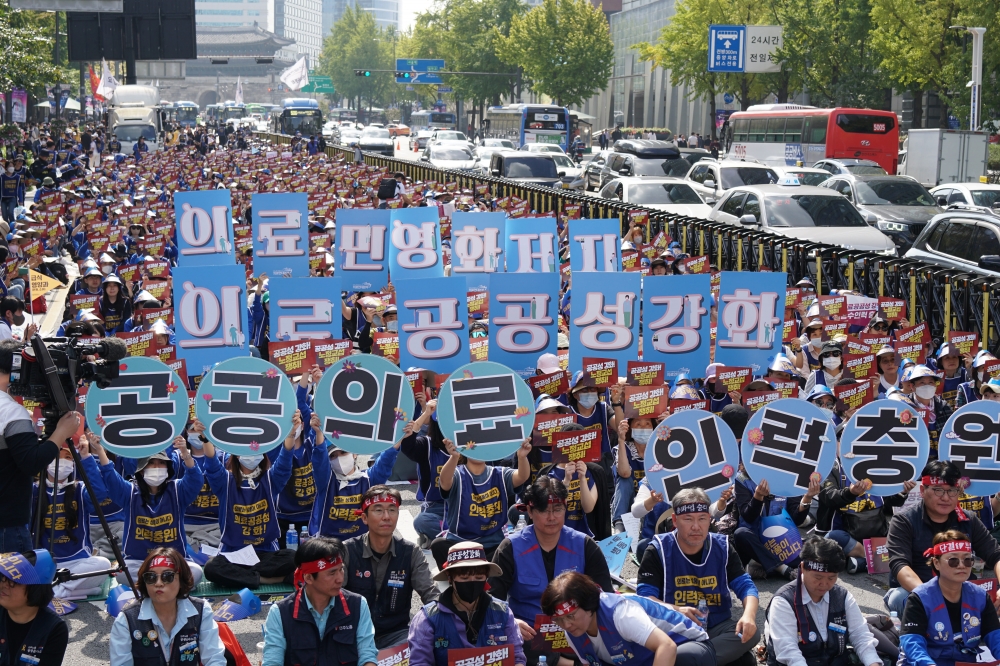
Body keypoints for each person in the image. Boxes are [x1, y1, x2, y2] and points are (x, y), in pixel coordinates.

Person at [489, 476, 614, 666]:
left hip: (575, 631)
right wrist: (511, 622)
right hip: (529, 634)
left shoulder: (584, 544)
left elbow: (605, 596)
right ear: (530, 511)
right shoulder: (510, 547)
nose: (552, 517)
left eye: (558, 509)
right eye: (543, 510)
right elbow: (491, 599)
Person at [638, 488, 760, 666]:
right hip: (675, 629)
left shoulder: (723, 546)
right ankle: (693, 658)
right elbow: (644, 599)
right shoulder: (658, 549)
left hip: (716, 626)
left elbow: (745, 584)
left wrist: (749, 615)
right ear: (675, 520)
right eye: (688, 519)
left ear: (709, 520)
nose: (696, 526)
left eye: (702, 518)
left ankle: (690, 660)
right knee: (744, 662)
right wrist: (677, 609)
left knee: (751, 634)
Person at [884, 460, 1000, 615]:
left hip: (961, 590)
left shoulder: (968, 519)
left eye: (952, 491)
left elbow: (995, 555)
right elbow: (900, 565)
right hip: (921, 590)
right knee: (898, 598)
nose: (946, 498)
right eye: (938, 490)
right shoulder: (904, 521)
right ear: (922, 491)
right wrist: (933, 597)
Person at [0, 338, 83, 552]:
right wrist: (61, 433)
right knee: (16, 584)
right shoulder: (10, 411)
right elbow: (31, 463)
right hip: (7, 525)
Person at [199, 415, 300, 590]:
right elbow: (212, 465)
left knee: (292, 556)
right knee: (211, 568)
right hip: (233, 554)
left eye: (257, 449)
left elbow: (284, 464)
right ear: (236, 455)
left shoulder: (270, 480)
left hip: (266, 553)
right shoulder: (225, 482)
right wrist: (205, 438)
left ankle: (248, 577)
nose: (252, 453)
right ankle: (265, 579)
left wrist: (290, 435)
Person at [542, 571, 714, 666]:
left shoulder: (620, 613)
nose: (566, 625)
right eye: (558, 620)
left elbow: (667, 646)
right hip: (642, 660)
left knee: (684, 658)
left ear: (588, 604)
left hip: (688, 646)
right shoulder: (571, 632)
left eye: (570, 616)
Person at [343, 485, 438, 649]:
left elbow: (430, 593)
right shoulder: (348, 550)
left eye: (392, 510)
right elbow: (330, 595)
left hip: (396, 635)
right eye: (378, 510)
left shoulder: (411, 552)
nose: (386, 517)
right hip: (352, 634)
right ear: (364, 518)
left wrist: (440, 619)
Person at [764, 537, 883, 666]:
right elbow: (788, 652)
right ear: (803, 568)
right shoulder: (783, 601)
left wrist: (873, 662)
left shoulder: (842, 596)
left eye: (832, 578)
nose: (824, 584)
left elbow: (860, 635)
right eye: (818, 577)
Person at [102, 438, 206, 585]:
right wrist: (99, 450)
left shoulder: (177, 490)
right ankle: (168, 587)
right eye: (151, 463)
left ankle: (150, 587)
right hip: (138, 562)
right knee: (121, 574)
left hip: (173, 561)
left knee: (195, 572)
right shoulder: (130, 492)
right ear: (141, 469)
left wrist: (185, 453)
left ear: (168, 468)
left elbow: (196, 480)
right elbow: (111, 478)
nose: (157, 467)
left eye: (161, 463)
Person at [261, 536, 378, 666]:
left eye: (341, 569)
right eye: (332, 573)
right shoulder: (280, 613)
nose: (340, 579)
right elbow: (272, 661)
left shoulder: (358, 605)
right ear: (309, 578)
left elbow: (367, 655)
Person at [408, 541, 525, 666]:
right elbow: (419, 662)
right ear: (450, 578)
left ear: (486, 577)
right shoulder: (427, 618)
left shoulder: (503, 612)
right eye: (464, 578)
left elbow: (517, 657)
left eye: (479, 578)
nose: (472, 583)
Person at [898, 530, 1000, 666]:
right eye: (953, 560)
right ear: (936, 563)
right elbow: (912, 644)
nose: (962, 565)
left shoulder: (980, 596)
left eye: (968, 559)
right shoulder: (919, 598)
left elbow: (995, 637)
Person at [110, 548, 226, 666]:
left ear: (181, 580)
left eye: (167, 576)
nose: (159, 583)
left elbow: (214, 658)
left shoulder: (200, 611)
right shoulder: (126, 619)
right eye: (151, 577)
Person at [33, 433, 114, 600]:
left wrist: (85, 456)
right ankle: (73, 591)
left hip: (77, 562)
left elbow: (99, 493)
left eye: (68, 457)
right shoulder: (35, 490)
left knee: (103, 564)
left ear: (73, 464)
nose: (62, 461)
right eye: (57, 456)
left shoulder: (80, 489)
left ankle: (55, 592)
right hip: (45, 562)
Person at [433, 432, 531, 567]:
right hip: (460, 544)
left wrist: (522, 457)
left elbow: (522, 476)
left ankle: (479, 573)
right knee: (438, 545)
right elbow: (444, 481)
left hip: (493, 544)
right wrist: (454, 457)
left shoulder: (500, 473)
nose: (478, 450)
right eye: (474, 446)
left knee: (512, 549)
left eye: (482, 446)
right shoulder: (457, 473)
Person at [0, 549, 69, 666]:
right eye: (2, 578)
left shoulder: (54, 628)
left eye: (13, 581)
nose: (3, 585)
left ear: (36, 588)